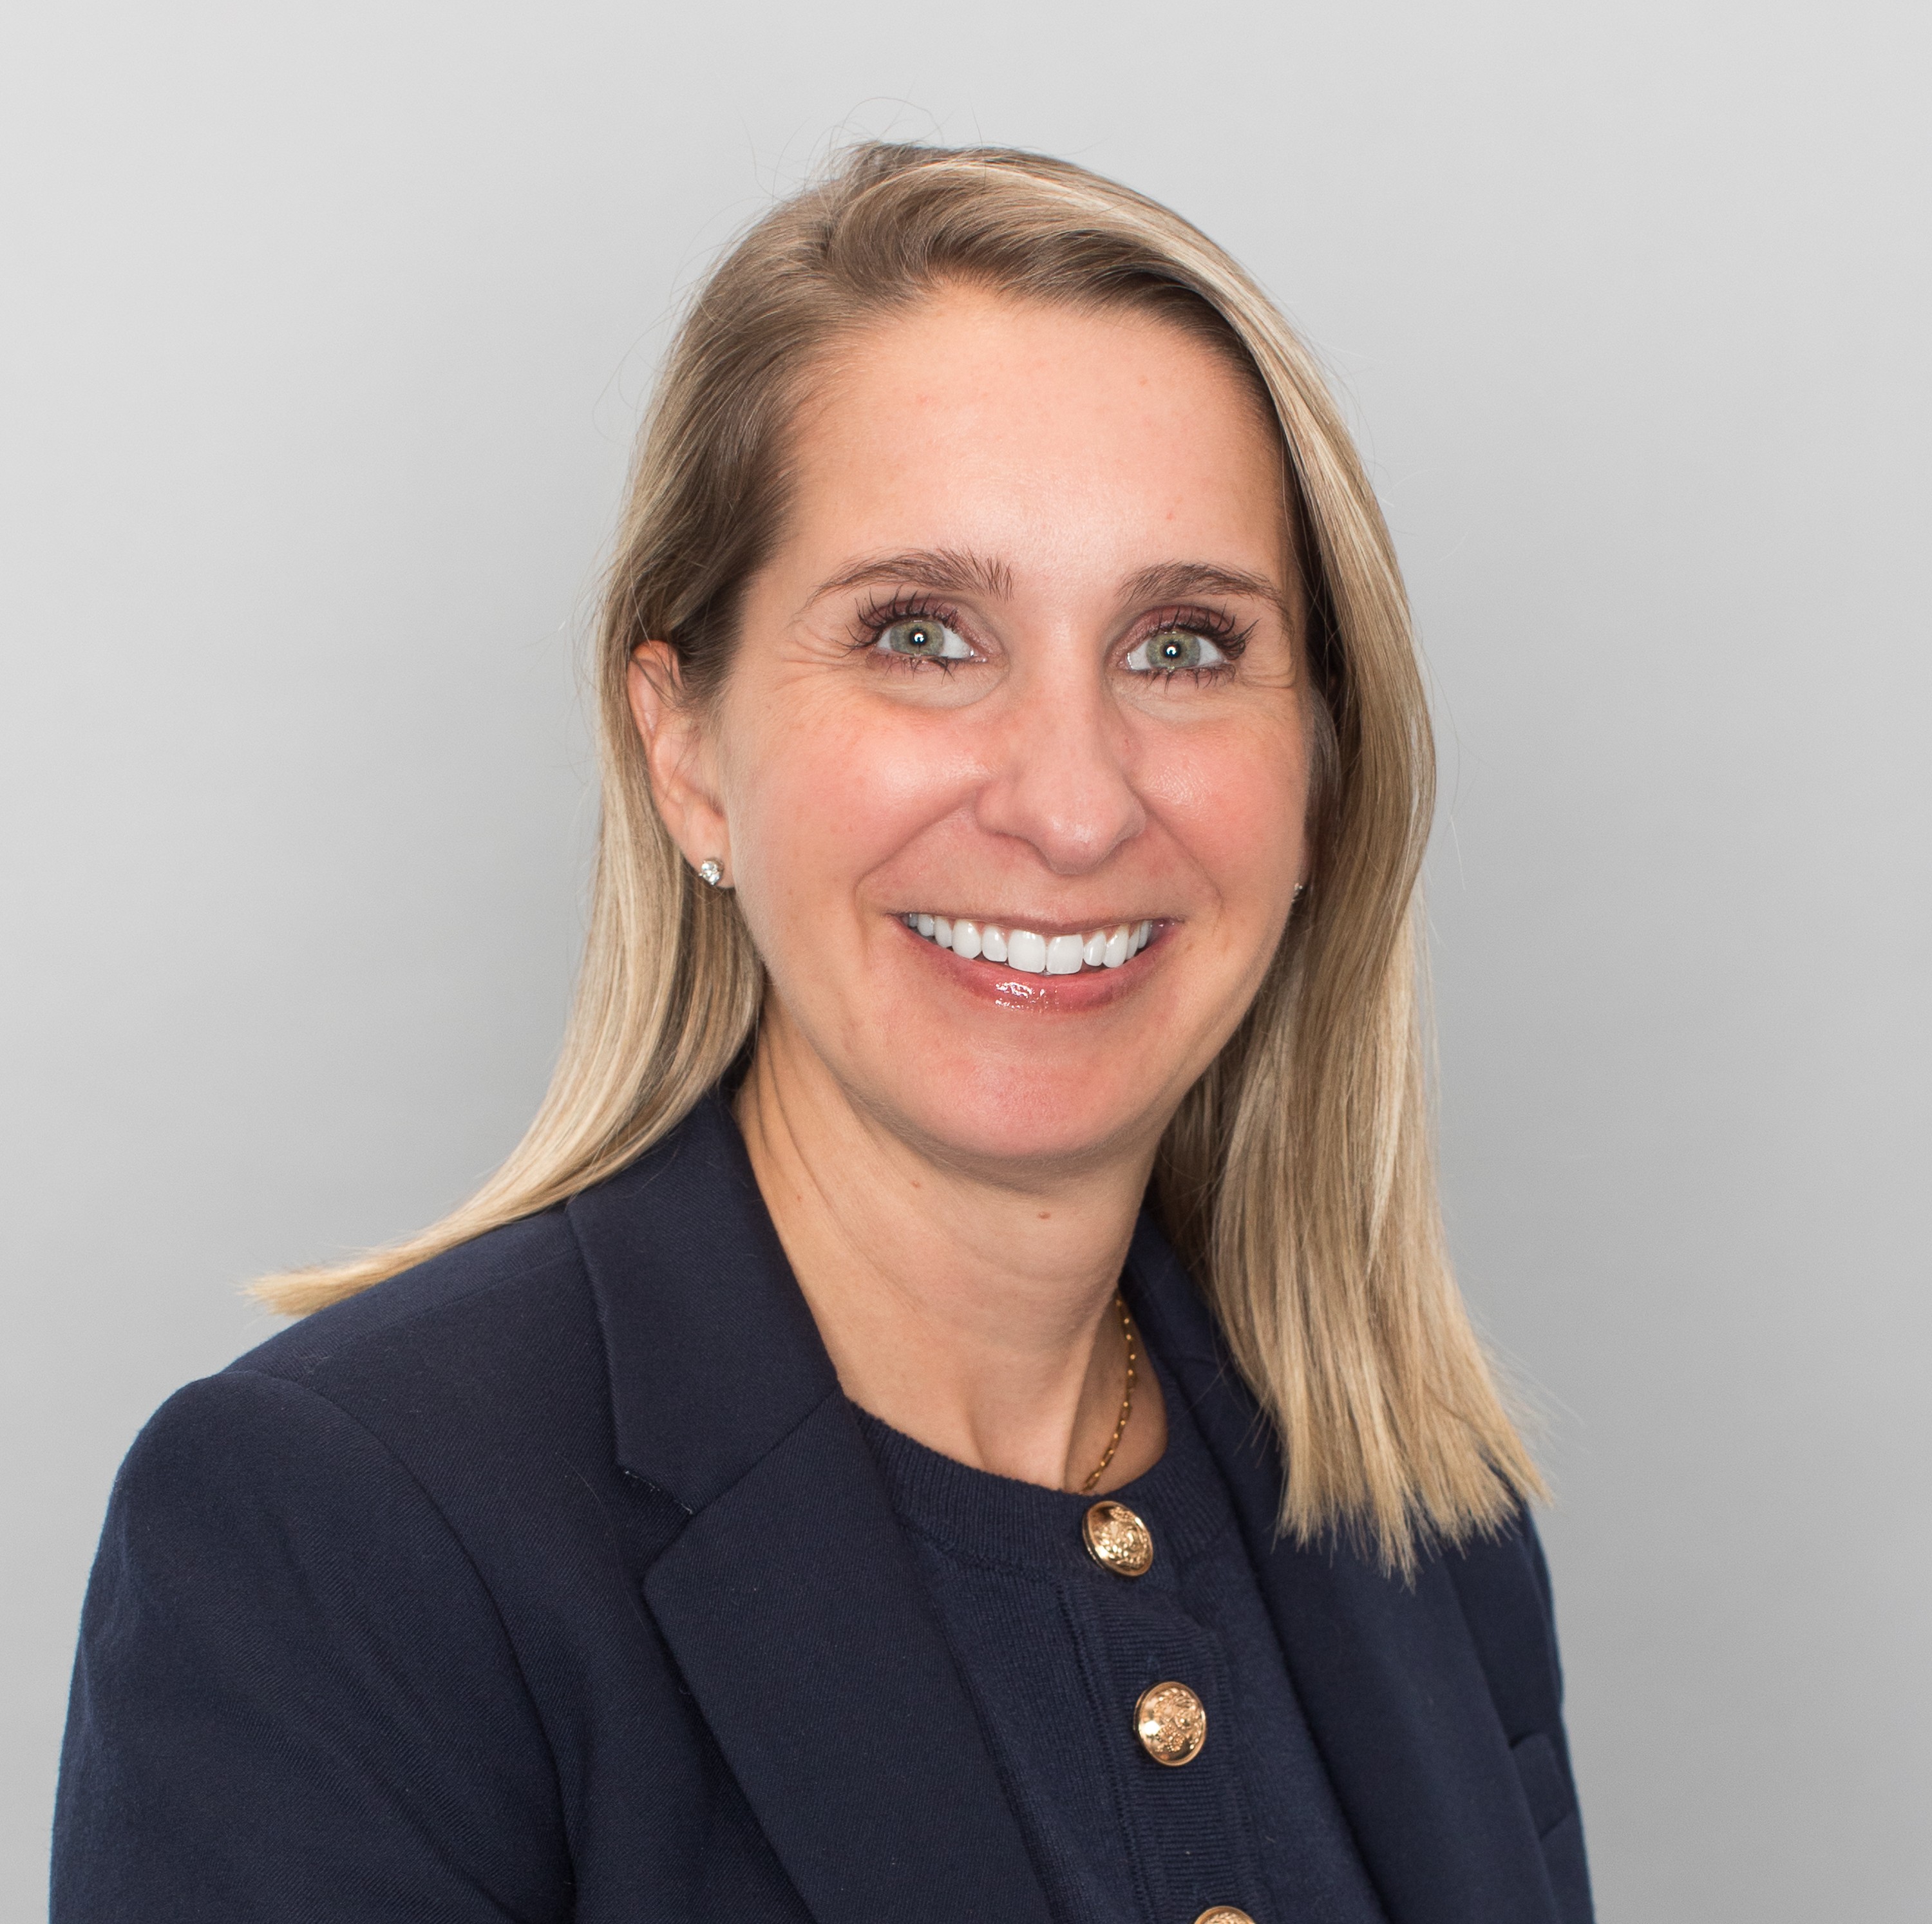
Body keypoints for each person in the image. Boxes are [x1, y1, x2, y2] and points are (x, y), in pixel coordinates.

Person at [52, 143, 1591, 1924]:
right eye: (924, 635)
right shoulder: (346, 1540)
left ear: (1321, 767)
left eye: (1182, 647)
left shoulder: (1418, 1522)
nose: (1074, 805)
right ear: (687, 747)